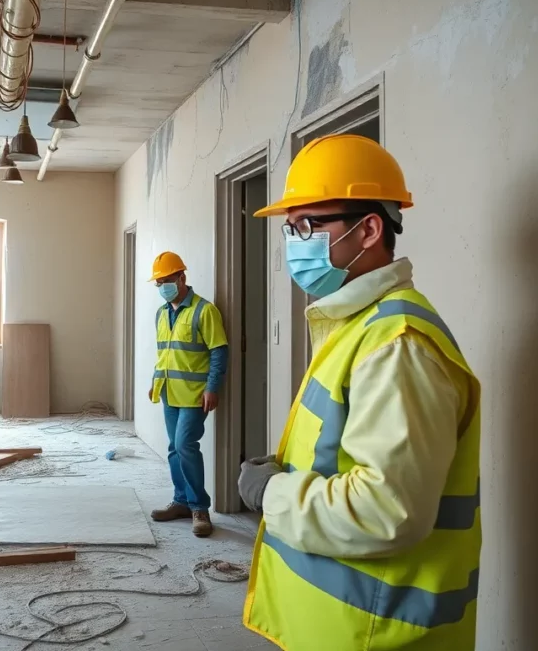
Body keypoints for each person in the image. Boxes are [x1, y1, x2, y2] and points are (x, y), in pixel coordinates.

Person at [238, 134, 481, 650]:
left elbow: (386, 510)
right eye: (289, 228)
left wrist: (272, 493)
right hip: (342, 629)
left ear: (369, 228)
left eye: (307, 225)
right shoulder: (357, 324)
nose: (293, 244)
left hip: (378, 633)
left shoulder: (398, 345)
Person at [147, 252, 228, 538]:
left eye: (167, 280)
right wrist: (155, 381)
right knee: (173, 448)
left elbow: (218, 350)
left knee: (185, 445)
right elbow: (165, 354)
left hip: (195, 395)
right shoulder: (162, 313)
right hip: (169, 391)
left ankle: (199, 508)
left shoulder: (204, 311)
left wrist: (212, 388)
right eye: (158, 283)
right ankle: (181, 501)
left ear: (182, 278)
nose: (162, 287)